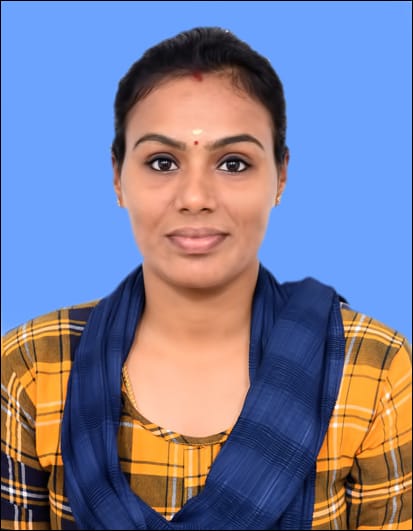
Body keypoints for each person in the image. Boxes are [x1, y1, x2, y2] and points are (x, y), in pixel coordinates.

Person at [1, 26, 411, 531]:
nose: (195, 197)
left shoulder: (371, 372)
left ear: (281, 176)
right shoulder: (35, 367)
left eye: (233, 163)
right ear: (117, 177)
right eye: (162, 162)